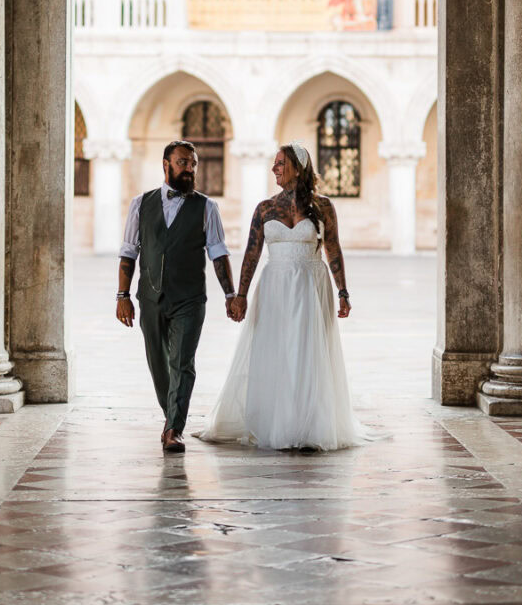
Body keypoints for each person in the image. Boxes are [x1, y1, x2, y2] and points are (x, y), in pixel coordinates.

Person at [196, 143, 369, 451]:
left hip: (311, 285)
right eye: (274, 163)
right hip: (274, 285)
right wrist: (240, 296)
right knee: (276, 350)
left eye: (280, 163)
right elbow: (251, 254)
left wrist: (343, 291)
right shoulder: (265, 208)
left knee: (308, 353)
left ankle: (308, 426)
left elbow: (333, 249)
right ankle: (275, 422)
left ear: (298, 168)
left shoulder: (324, 207)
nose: (274, 168)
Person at [117, 140, 237, 453]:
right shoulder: (140, 204)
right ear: (166, 164)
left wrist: (230, 294)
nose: (190, 169)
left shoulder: (206, 207)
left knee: (182, 362)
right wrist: (122, 295)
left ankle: (173, 428)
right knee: (158, 363)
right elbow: (129, 253)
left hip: (190, 298)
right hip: (151, 298)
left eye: (193, 164)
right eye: (183, 162)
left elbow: (219, 254)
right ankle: (171, 414)